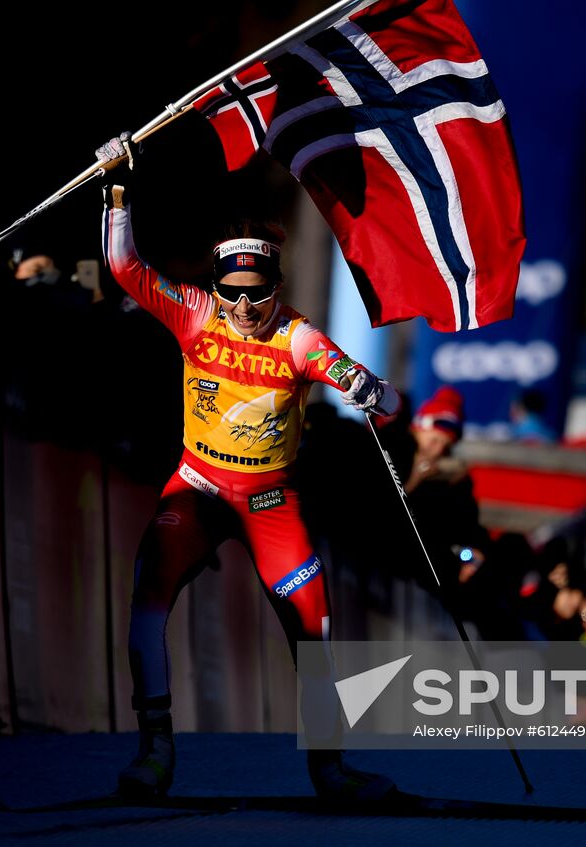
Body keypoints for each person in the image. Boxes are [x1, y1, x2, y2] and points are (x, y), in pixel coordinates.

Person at [95, 134, 400, 801]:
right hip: (199, 488)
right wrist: (119, 188)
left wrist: (373, 392)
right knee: (147, 603)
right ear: (215, 286)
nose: (242, 308)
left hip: (270, 502)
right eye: (230, 292)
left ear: (276, 286)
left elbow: (369, 385)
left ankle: (331, 767)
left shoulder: (298, 336)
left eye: (255, 293)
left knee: (313, 624)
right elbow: (125, 267)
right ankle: (155, 751)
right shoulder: (197, 317)